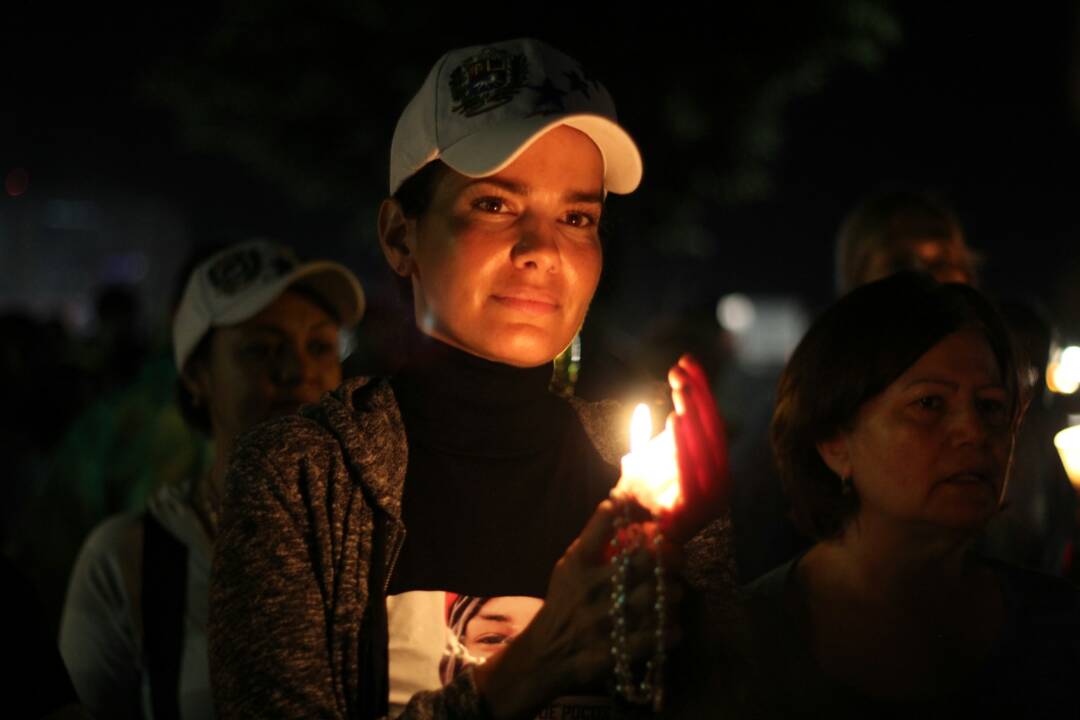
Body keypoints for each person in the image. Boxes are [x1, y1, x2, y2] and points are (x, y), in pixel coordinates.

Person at [208, 38, 734, 720]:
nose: (542, 250)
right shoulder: (302, 475)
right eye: (495, 205)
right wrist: (529, 669)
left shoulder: (656, 471)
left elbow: (730, 691)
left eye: (577, 217)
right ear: (400, 236)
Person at [739, 272, 1080, 716]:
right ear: (834, 440)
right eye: (929, 404)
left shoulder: (1059, 632)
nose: (974, 432)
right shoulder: (739, 648)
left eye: (991, 406)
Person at [59, 240, 365, 720]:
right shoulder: (130, 562)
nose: (297, 369)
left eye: (320, 345)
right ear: (196, 377)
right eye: (261, 348)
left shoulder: (383, 537)